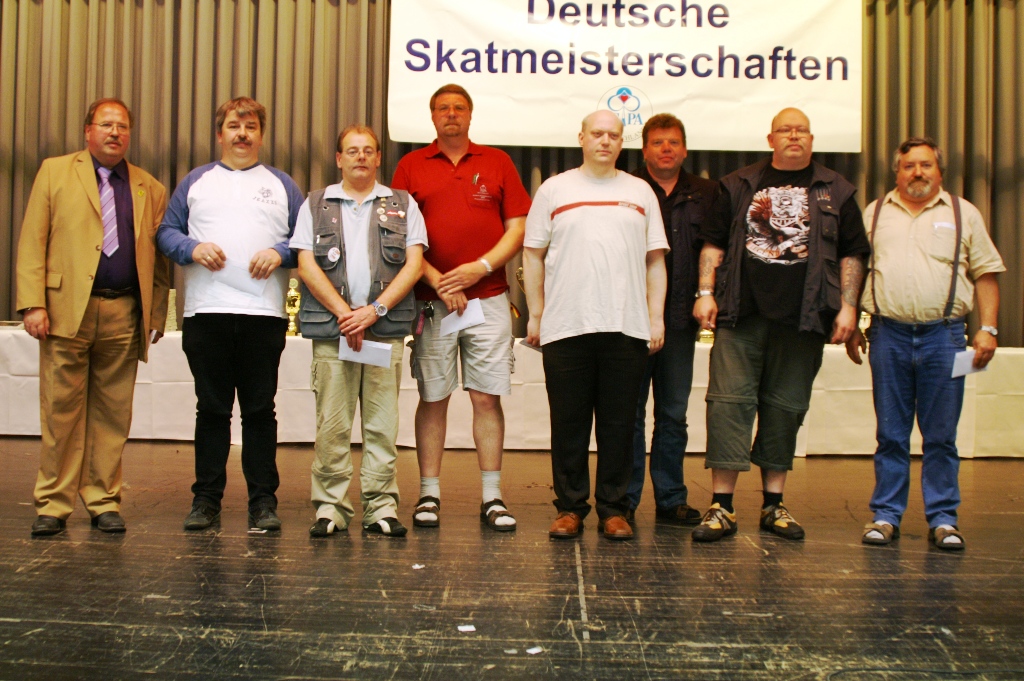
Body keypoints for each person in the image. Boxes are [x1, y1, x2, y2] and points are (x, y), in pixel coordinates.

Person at [691, 107, 870, 543]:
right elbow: (713, 243)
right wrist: (705, 292)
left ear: (812, 139)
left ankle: (774, 504)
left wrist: (849, 308)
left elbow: (852, 253)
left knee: (786, 409)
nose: (794, 136)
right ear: (770, 139)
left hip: (804, 319)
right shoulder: (737, 184)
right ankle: (722, 506)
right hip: (740, 314)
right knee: (728, 405)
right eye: (785, 130)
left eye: (801, 130)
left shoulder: (837, 190)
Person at [16, 98, 171, 537]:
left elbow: (159, 261)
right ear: (88, 131)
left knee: (113, 414)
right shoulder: (54, 172)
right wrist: (33, 303)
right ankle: (53, 503)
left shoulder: (149, 187)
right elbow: (32, 240)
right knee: (60, 412)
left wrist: (156, 312)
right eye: (106, 124)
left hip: (124, 312)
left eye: (122, 126)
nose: (114, 132)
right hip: (65, 310)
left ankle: (103, 500)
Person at [847, 137, 1004, 551]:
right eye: (909, 166)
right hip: (887, 335)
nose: (917, 172)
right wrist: (852, 321)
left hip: (945, 337)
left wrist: (989, 328)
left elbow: (986, 273)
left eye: (926, 165)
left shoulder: (963, 213)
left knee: (941, 436)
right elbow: (857, 269)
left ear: (939, 171)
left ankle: (944, 520)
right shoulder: (875, 213)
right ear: (897, 172)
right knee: (891, 434)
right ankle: (886, 515)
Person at [156, 97, 302, 532]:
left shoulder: (282, 184)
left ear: (261, 135)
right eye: (234, 126)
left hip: (264, 314)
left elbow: (307, 239)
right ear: (220, 133)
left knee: (259, 411)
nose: (242, 133)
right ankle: (206, 501)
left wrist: (280, 253)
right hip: (206, 312)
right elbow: (165, 232)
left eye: (251, 126)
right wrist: (192, 247)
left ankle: (263, 503)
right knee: (212, 410)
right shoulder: (195, 182)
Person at [391, 84, 532, 532]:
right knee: (433, 396)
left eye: (459, 108)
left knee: (486, 397)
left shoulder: (498, 162)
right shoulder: (411, 165)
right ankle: (428, 494)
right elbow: (398, 236)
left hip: (488, 299)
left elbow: (517, 228)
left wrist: (480, 268)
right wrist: (438, 280)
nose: (451, 114)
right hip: (432, 304)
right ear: (432, 116)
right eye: (442, 108)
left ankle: (492, 497)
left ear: (470, 115)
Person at [523, 110, 669, 541]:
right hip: (565, 325)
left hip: (627, 327)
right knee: (568, 424)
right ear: (581, 137)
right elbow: (532, 255)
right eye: (597, 134)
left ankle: (614, 509)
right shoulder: (554, 189)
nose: (605, 141)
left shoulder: (640, 191)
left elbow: (655, 260)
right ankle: (569, 509)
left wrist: (655, 316)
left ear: (622, 142)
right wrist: (536, 313)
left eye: (614, 135)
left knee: (619, 425)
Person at [291, 125, 427, 538]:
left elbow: (414, 265)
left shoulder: (403, 204)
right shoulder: (315, 204)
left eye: (368, 150)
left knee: (381, 427)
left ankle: (381, 508)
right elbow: (305, 264)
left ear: (378, 157)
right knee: (332, 426)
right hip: (333, 333)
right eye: (352, 151)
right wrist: (345, 314)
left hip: (383, 332)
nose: (361, 157)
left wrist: (373, 311)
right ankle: (330, 508)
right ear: (339, 159)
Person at [628, 113, 719, 526]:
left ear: (684, 149)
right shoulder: (625, 187)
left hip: (681, 321)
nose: (666, 149)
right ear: (644, 149)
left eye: (674, 142)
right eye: (658, 142)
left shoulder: (708, 193)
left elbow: (716, 249)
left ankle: (670, 499)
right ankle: (623, 500)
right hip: (630, 320)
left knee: (673, 414)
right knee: (628, 415)